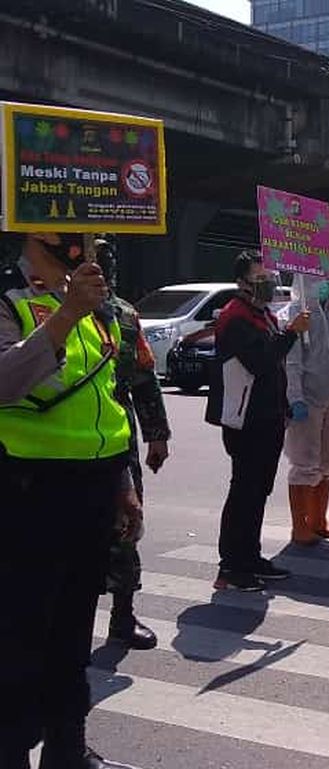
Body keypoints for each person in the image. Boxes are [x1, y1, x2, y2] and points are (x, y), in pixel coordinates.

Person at [0, 232, 141, 769]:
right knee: (19, 637)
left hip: (91, 487)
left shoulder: (92, 301)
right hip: (28, 490)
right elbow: (6, 382)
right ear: (41, 232)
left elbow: (104, 396)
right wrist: (66, 314)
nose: (93, 246)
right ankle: (10, 767)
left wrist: (122, 485)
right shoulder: (10, 297)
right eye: (81, 234)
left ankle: (66, 750)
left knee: (72, 630)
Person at [206, 251, 310, 591]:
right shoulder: (235, 317)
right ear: (242, 283)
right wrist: (292, 333)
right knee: (245, 492)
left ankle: (249, 557)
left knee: (258, 491)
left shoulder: (262, 314)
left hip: (268, 416)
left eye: (270, 278)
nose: (268, 284)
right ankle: (231, 566)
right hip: (246, 420)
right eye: (260, 278)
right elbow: (261, 361)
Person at [97, 237, 171, 651]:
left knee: (128, 525)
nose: (105, 269)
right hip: (67, 442)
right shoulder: (52, 310)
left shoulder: (126, 315)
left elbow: (145, 378)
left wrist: (157, 435)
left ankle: (123, 616)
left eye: (109, 261)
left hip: (120, 435)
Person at [282, 272, 329, 545]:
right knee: (304, 463)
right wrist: (295, 398)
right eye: (318, 279)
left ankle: (318, 520)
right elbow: (292, 361)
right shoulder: (297, 312)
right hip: (309, 399)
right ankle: (298, 526)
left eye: (328, 279)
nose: (326, 284)